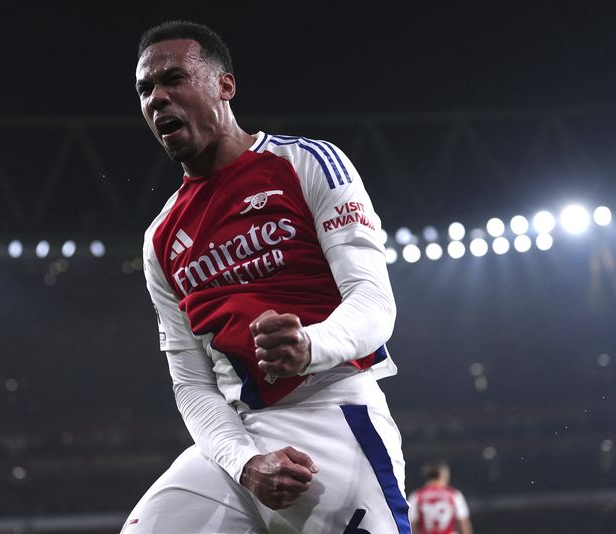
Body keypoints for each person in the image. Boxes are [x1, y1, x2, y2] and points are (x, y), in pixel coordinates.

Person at [123, 20, 409, 534]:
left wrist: (309, 345)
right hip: (237, 440)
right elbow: (191, 385)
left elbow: (374, 302)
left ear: (225, 85)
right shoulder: (160, 238)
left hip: (332, 412)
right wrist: (243, 462)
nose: (158, 99)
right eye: (146, 90)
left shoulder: (308, 164)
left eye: (173, 80)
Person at [407, 460, 472, 534]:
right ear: (443, 474)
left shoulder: (416, 496)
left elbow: (411, 523)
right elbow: (463, 522)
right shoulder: (454, 494)